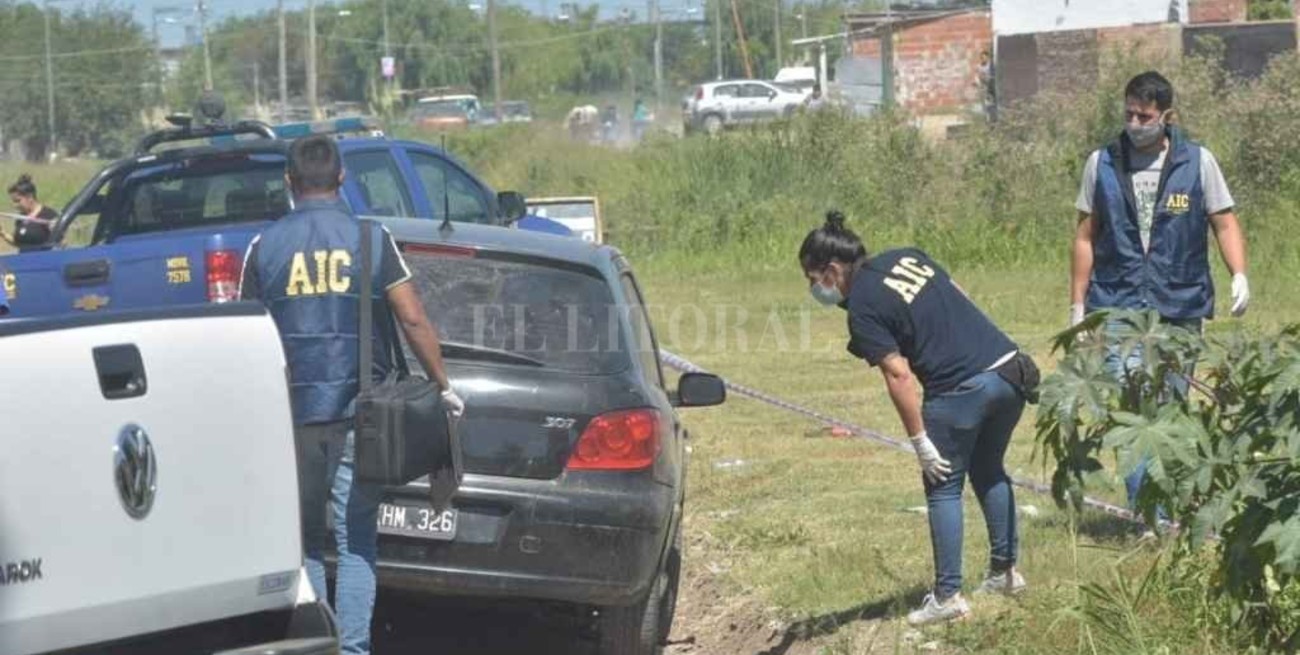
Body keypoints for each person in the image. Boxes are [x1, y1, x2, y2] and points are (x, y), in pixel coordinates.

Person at [239, 135, 465, 655]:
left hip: (290, 418)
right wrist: (444, 387)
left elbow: (246, 334)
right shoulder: (371, 239)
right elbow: (412, 316)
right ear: (342, 179)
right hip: (360, 416)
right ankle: (354, 650)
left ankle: (318, 648)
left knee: (308, 542)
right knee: (357, 537)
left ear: (290, 185)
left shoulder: (263, 246)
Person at [799, 211, 1033, 626]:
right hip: (1010, 369)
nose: (813, 288)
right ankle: (1004, 573)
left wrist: (921, 441)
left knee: (943, 488)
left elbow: (899, 374)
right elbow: (959, 292)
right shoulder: (907, 256)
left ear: (832, 270)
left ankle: (947, 597)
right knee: (989, 470)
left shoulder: (863, 308)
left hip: (961, 389)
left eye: (813, 278)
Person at [1070, 71, 1248, 510]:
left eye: (1144, 115)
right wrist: (1077, 305)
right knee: (1132, 411)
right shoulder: (1102, 162)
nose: (1134, 122)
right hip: (1118, 303)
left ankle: (1172, 503)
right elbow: (1084, 237)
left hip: (1179, 302)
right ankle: (1144, 513)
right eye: (1129, 113)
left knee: (1171, 406)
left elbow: (1223, 222)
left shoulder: (1198, 162)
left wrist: (1239, 273)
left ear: (1167, 116)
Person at [0, 174, 58, 252]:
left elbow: (62, 244)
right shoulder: (21, 218)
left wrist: (57, 232)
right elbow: (19, 243)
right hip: (23, 262)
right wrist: (2, 233)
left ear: (29, 197)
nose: (15, 205)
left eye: (17, 201)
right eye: (13, 201)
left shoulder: (48, 215)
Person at [976, 50, 996, 122]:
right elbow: (978, 76)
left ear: (988, 57)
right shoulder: (979, 66)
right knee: (984, 104)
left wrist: (989, 78)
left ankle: (992, 118)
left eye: (984, 57)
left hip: (991, 87)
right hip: (984, 87)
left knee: (992, 103)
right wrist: (978, 82)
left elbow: (993, 75)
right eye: (982, 58)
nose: (983, 59)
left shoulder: (991, 66)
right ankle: (986, 119)